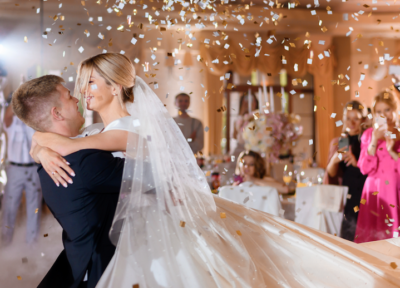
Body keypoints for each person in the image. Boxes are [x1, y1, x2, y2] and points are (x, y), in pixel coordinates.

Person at [30, 53, 400, 287]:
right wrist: (40, 147)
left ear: (113, 86)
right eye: (82, 82)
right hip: (133, 232)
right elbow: (71, 143)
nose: (83, 90)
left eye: (90, 81)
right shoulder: (99, 131)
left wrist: (43, 145)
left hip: (159, 228)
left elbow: (70, 145)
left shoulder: (132, 129)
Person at [12, 75, 126, 288]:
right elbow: (153, 174)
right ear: (57, 113)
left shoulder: (52, 159)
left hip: (79, 263)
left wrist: (39, 146)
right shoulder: (84, 162)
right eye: (68, 96)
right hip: (106, 270)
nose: (77, 99)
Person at [355, 91, 400, 243]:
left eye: (387, 109)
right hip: (373, 191)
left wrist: (392, 151)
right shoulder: (368, 134)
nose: (384, 115)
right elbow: (364, 168)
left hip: (395, 192)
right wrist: (374, 140)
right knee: (371, 239)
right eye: (379, 112)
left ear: (395, 109)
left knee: (393, 240)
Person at [1, 87, 42, 245]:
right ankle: (5, 243)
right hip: (15, 169)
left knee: (34, 208)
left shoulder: (32, 120)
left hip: (34, 168)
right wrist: (17, 98)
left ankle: (32, 247)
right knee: (9, 207)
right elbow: (7, 118)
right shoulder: (11, 122)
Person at [324, 100, 368, 241]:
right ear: (343, 119)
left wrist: (357, 163)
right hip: (347, 196)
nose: (352, 123)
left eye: (356, 118)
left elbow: (374, 170)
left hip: (365, 192)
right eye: (348, 118)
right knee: (348, 237)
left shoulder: (368, 141)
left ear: (363, 120)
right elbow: (332, 176)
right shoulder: (339, 141)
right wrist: (335, 160)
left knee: (365, 235)